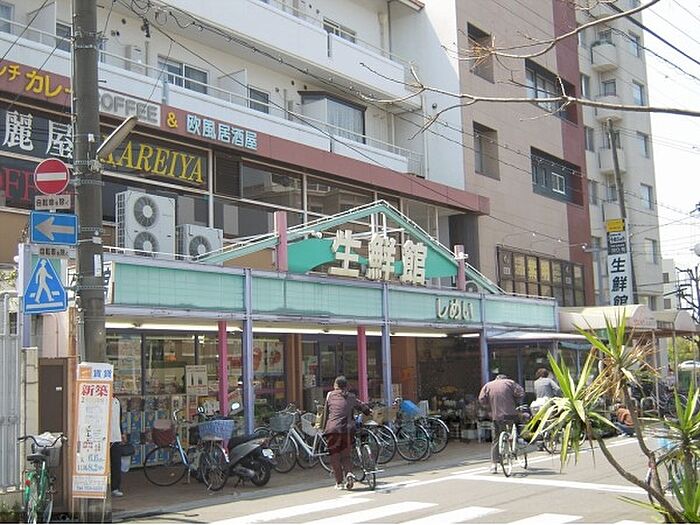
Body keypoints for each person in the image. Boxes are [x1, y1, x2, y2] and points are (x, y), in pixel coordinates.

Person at [321, 376, 371, 489]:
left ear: (336, 385)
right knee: (346, 456)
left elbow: (326, 413)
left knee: (334, 456)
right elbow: (363, 407)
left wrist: (323, 429)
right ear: (346, 386)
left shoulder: (330, 395)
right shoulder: (351, 397)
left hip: (333, 429)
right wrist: (369, 411)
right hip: (348, 430)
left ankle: (339, 482)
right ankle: (349, 473)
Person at [478, 373, 525, 474]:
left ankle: (494, 465)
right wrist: (515, 401)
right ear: (505, 378)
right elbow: (521, 393)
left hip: (496, 416)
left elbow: (482, 399)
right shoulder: (510, 383)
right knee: (516, 425)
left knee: (496, 438)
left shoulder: (488, 385)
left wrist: (489, 406)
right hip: (511, 415)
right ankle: (515, 441)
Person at [110, 394, 126, 497]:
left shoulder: (116, 401)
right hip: (102, 438)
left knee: (116, 463)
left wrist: (122, 433)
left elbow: (118, 420)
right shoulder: (101, 400)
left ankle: (115, 487)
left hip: (116, 437)